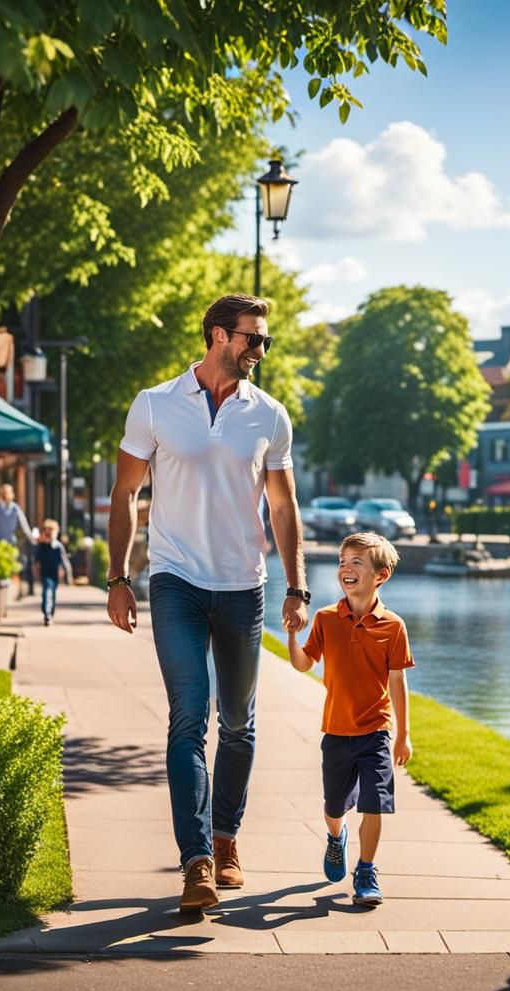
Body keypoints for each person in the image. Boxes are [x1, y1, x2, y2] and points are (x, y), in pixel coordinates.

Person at [106, 293, 309, 912]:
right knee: (188, 716)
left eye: (264, 339)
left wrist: (296, 586)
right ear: (219, 335)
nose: (261, 350)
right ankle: (196, 861)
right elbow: (126, 492)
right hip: (176, 581)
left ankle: (225, 840)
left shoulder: (269, 414)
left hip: (243, 586)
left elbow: (282, 506)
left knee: (239, 723)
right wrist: (118, 577)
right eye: (253, 338)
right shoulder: (155, 404)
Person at [286, 532, 414, 907]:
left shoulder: (394, 626)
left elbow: (398, 680)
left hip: (376, 731)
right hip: (337, 731)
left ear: (381, 575)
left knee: (375, 803)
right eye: (343, 561)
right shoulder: (326, 619)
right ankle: (335, 837)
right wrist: (292, 637)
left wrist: (403, 735)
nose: (346, 568)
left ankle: (367, 870)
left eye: (357, 562)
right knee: (334, 806)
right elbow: (304, 664)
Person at [0, 483, 36, 596]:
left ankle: (18, 590)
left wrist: (31, 538)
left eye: (8, 493)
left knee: (16, 567)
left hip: (11, 544)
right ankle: (2, 592)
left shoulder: (15, 509)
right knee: (0, 568)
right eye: (3, 493)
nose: (6, 496)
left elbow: (24, 525)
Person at [34, 519, 73, 626]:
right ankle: (47, 614)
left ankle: (49, 613)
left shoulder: (58, 546)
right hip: (44, 573)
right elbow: (36, 560)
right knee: (47, 592)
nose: (49, 533)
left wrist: (68, 576)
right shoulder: (41, 546)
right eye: (46, 531)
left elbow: (64, 561)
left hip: (54, 574)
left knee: (52, 593)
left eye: (51, 531)